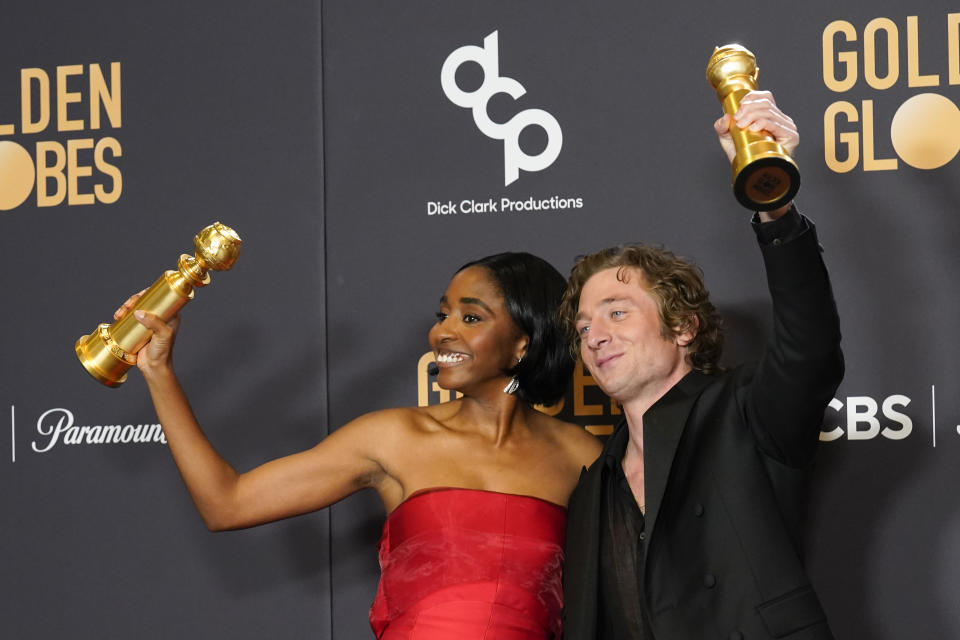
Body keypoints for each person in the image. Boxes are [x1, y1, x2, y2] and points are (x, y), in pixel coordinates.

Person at [117, 252, 602, 640]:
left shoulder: (581, 455)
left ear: (524, 343)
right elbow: (227, 503)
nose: (441, 331)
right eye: (442, 314)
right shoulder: (394, 437)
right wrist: (159, 373)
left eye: (470, 317)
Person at [558, 90, 844, 639]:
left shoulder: (745, 414)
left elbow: (810, 346)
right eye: (584, 327)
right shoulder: (596, 483)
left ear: (683, 327)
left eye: (616, 311)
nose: (595, 336)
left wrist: (772, 198)